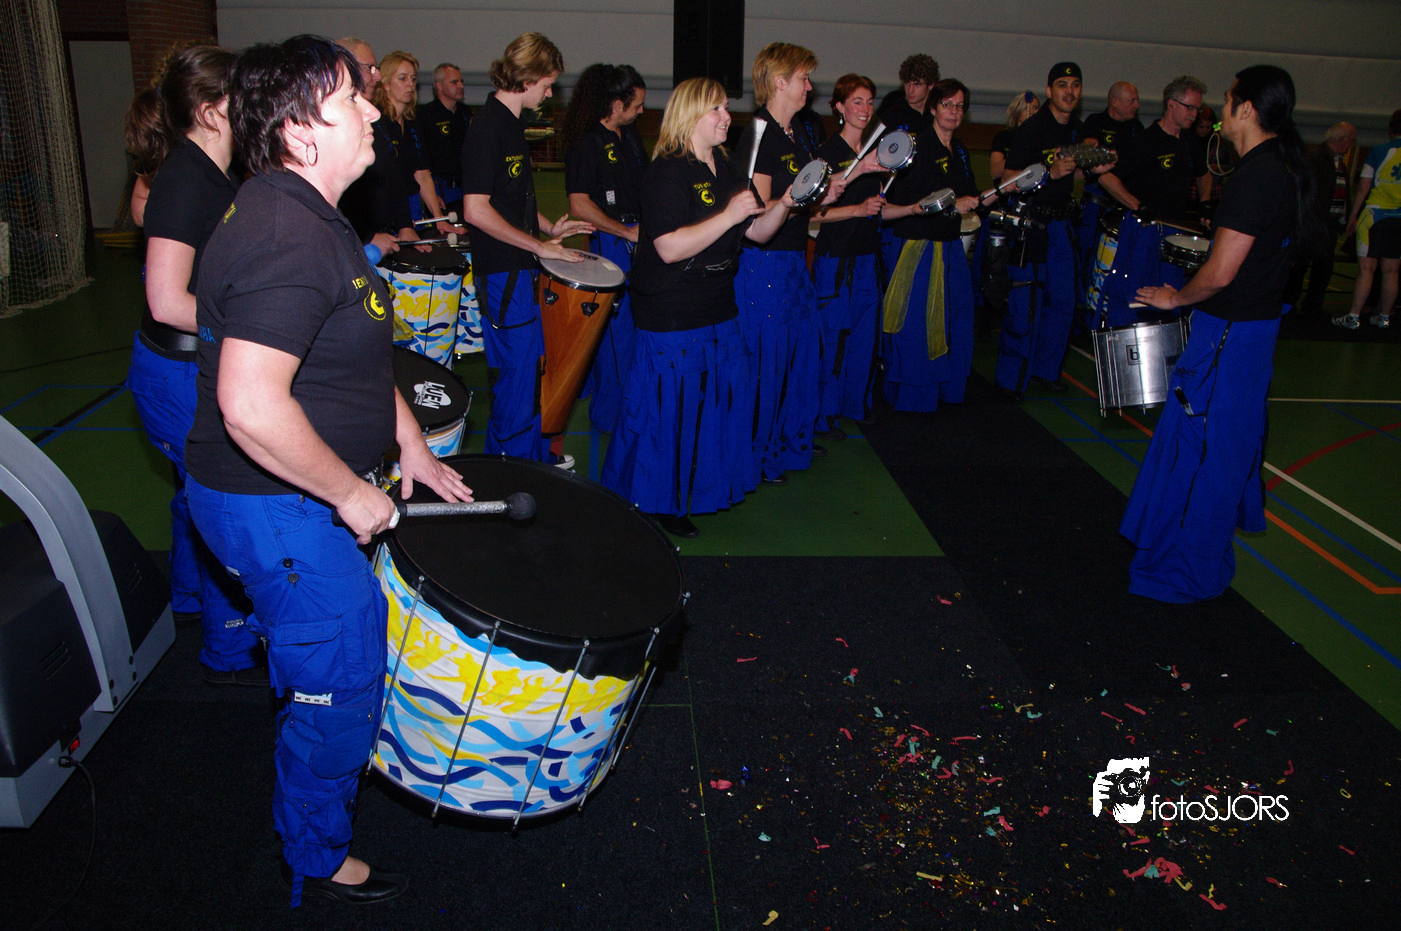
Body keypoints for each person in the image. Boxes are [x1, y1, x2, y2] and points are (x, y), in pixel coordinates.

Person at [183, 34, 474, 906]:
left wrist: (409, 441)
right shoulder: (287, 234)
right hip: (280, 508)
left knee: (334, 654)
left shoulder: (307, 212)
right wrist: (351, 494)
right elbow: (250, 404)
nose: (374, 108)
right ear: (301, 128)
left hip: (291, 497)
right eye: (353, 98)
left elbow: (354, 345)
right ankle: (314, 854)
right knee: (340, 681)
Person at [1123, 64, 1323, 603]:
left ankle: (1183, 571)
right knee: (1224, 451)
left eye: (1229, 100)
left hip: (1229, 336)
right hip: (1253, 333)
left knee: (1202, 454)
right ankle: (1199, 562)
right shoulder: (1282, 167)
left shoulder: (1258, 176)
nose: (1219, 112)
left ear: (1247, 110)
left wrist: (1175, 296)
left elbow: (1220, 273)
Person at [123, 43, 265, 686]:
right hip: (175, 374)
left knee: (193, 492)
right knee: (220, 500)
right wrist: (252, 327)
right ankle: (227, 648)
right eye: (241, 96)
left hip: (188, 366)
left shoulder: (216, 173)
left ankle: (184, 597)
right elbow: (165, 299)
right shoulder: (184, 178)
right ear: (210, 112)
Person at [600, 77, 793, 538]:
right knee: (666, 410)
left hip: (718, 303)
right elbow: (668, 248)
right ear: (690, 115)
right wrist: (728, 215)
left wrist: (788, 201)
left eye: (726, 107)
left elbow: (758, 232)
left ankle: (692, 486)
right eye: (716, 109)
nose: (727, 116)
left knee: (712, 404)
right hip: (673, 307)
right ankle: (655, 499)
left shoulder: (726, 167)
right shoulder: (667, 171)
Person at [460, 33, 593, 462]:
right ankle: (510, 472)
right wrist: (539, 246)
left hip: (519, 270)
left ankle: (530, 459)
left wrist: (548, 227)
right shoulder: (488, 127)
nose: (550, 93)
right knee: (516, 378)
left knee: (531, 369)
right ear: (528, 76)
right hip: (503, 272)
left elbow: (509, 198)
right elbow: (476, 209)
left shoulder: (512, 125)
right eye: (547, 84)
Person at [736, 42, 846, 487]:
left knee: (800, 355)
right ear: (780, 81)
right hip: (765, 267)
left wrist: (824, 195)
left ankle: (789, 439)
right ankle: (760, 453)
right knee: (768, 363)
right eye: (803, 78)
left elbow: (799, 200)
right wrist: (798, 200)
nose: (809, 87)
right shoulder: (759, 134)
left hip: (793, 262)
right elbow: (756, 211)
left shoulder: (795, 131)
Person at [994, 62, 1109, 400]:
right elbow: (1007, 180)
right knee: (1025, 304)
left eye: (1075, 85)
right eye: (1062, 84)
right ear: (1049, 90)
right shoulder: (1031, 129)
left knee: (1063, 301)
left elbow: (1075, 174)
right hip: (1031, 225)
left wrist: (1094, 167)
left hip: (1060, 225)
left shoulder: (1078, 129)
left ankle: (1045, 370)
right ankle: (1011, 379)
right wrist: (1050, 172)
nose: (1069, 91)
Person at [877, 78, 981, 412]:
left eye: (959, 106)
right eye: (947, 105)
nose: (953, 112)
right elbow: (905, 202)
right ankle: (914, 397)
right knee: (917, 326)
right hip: (920, 246)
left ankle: (950, 388)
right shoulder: (918, 148)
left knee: (958, 316)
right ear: (933, 108)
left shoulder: (959, 150)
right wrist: (953, 204)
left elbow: (969, 194)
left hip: (950, 244)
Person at [561, 63, 649, 433]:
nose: (641, 111)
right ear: (616, 105)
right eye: (636, 105)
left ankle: (628, 404)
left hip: (636, 238)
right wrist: (625, 231)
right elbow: (580, 205)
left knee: (633, 328)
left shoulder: (630, 137)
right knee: (616, 334)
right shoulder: (587, 143)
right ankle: (612, 417)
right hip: (611, 243)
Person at [1091, 76, 1210, 328]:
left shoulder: (1189, 142)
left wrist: (1206, 202)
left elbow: (1204, 173)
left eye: (1197, 109)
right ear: (1171, 104)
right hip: (1144, 232)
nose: (1194, 114)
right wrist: (1137, 206)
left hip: (1175, 233)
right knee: (1138, 295)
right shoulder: (1146, 141)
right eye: (1189, 108)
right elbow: (1106, 177)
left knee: (1170, 296)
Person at [811, 74, 886, 433]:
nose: (865, 109)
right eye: (857, 101)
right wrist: (857, 209)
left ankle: (856, 403)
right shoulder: (828, 155)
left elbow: (878, 208)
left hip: (867, 256)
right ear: (840, 107)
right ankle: (825, 412)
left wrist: (913, 208)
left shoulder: (875, 153)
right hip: (836, 258)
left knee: (865, 335)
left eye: (869, 102)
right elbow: (814, 213)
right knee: (833, 336)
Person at [336, 38, 413, 261]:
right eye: (370, 68)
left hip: (380, 236)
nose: (377, 75)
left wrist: (405, 224)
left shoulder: (374, 119)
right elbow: (337, 195)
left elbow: (391, 174)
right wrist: (367, 236)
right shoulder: (336, 124)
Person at [1333, 109, 1401, 330]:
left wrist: (1353, 215)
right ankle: (1384, 318)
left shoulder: (1379, 151)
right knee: (1392, 271)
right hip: (1399, 219)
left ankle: (1354, 317)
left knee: (1366, 270)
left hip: (1374, 216)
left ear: (1391, 129)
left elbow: (1363, 186)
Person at [371, 50, 451, 226]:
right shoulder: (376, 122)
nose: (410, 85)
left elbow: (422, 174)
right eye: (402, 79)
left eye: (413, 79)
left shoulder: (411, 122)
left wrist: (438, 218)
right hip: (386, 207)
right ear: (386, 84)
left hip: (412, 204)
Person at [1284, 121, 1354, 315]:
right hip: (1313, 222)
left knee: (1323, 267)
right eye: (1352, 140)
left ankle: (1312, 305)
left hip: (1328, 223)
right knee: (1301, 266)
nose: (1352, 144)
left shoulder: (1337, 161)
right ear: (1342, 139)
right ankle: (1290, 304)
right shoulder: (1316, 158)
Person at [416, 62, 472, 218]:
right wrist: (431, 195)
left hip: (465, 188)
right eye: (454, 82)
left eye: (461, 81)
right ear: (439, 86)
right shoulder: (425, 115)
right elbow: (419, 161)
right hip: (439, 189)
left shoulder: (465, 113)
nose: (460, 86)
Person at [877, 53, 939, 135]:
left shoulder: (936, 115)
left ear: (930, 85)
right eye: (907, 83)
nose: (910, 90)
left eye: (917, 85)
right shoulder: (892, 115)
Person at [989, 91, 1039, 181]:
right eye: (1026, 108)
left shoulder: (1041, 137)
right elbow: (995, 172)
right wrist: (1018, 155)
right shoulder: (1003, 137)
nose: (1031, 112)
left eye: (1035, 108)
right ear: (1017, 112)